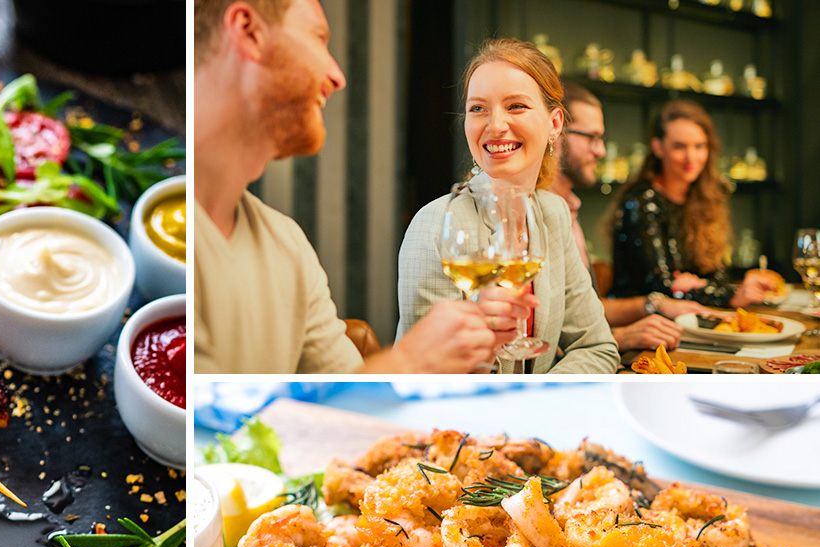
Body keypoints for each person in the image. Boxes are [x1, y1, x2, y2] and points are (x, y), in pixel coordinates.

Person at [193, 0, 496, 374]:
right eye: (318, 38)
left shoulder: (287, 245)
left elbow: (349, 395)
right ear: (248, 31)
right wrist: (410, 361)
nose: (337, 77)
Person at [396, 38, 619, 374]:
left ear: (554, 124)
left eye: (515, 106)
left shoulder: (554, 213)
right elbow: (425, 377)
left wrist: (540, 397)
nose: (495, 125)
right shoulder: (436, 223)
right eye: (478, 108)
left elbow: (597, 346)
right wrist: (484, 347)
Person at [551, 82, 708, 351]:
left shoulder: (569, 206)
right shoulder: (536, 209)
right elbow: (545, 333)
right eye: (592, 137)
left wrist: (655, 304)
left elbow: (583, 310)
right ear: (554, 131)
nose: (601, 151)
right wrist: (622, 336)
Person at [608, 100, 777, 308]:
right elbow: (661, 287)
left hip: (692, 316)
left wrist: (700, 285)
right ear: (658, 147)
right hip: (641, 321)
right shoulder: (642, 200)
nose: (691, 157)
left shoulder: (706, 198)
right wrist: (727, 295)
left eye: (699, 146)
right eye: (679, 146)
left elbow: (717, 275)